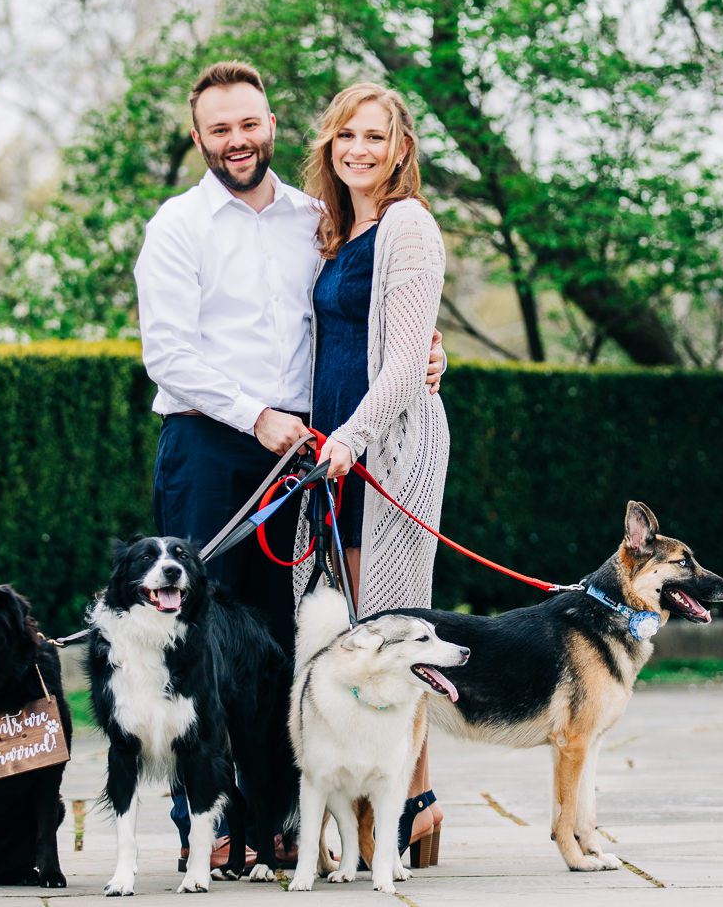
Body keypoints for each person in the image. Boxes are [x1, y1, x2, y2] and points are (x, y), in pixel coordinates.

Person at [133, 61, 443, 868]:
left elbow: (369, 315)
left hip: (307, 460)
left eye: (250, 123)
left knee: (282, 644)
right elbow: (165, 353)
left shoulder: (317, 218)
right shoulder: (177, 225)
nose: (238, 140)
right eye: (220, 128)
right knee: (196, 640)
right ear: (198, 136)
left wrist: (425, 353)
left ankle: (274, 822)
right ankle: (206, 823)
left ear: (272, 123)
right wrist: (258, 417)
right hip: (209, 446)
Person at [296, 81, 451, 869]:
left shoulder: (409, 225)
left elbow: (400, 365)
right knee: (352, 639)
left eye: (375, 136)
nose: (358, 148)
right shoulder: (334, 228)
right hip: (335, 455)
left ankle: (411, 807)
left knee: (388, 638)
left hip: (384, 454)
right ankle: (378, 810)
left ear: (400, 149)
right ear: (330, 142)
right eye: (346, 134)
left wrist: (351, 437)